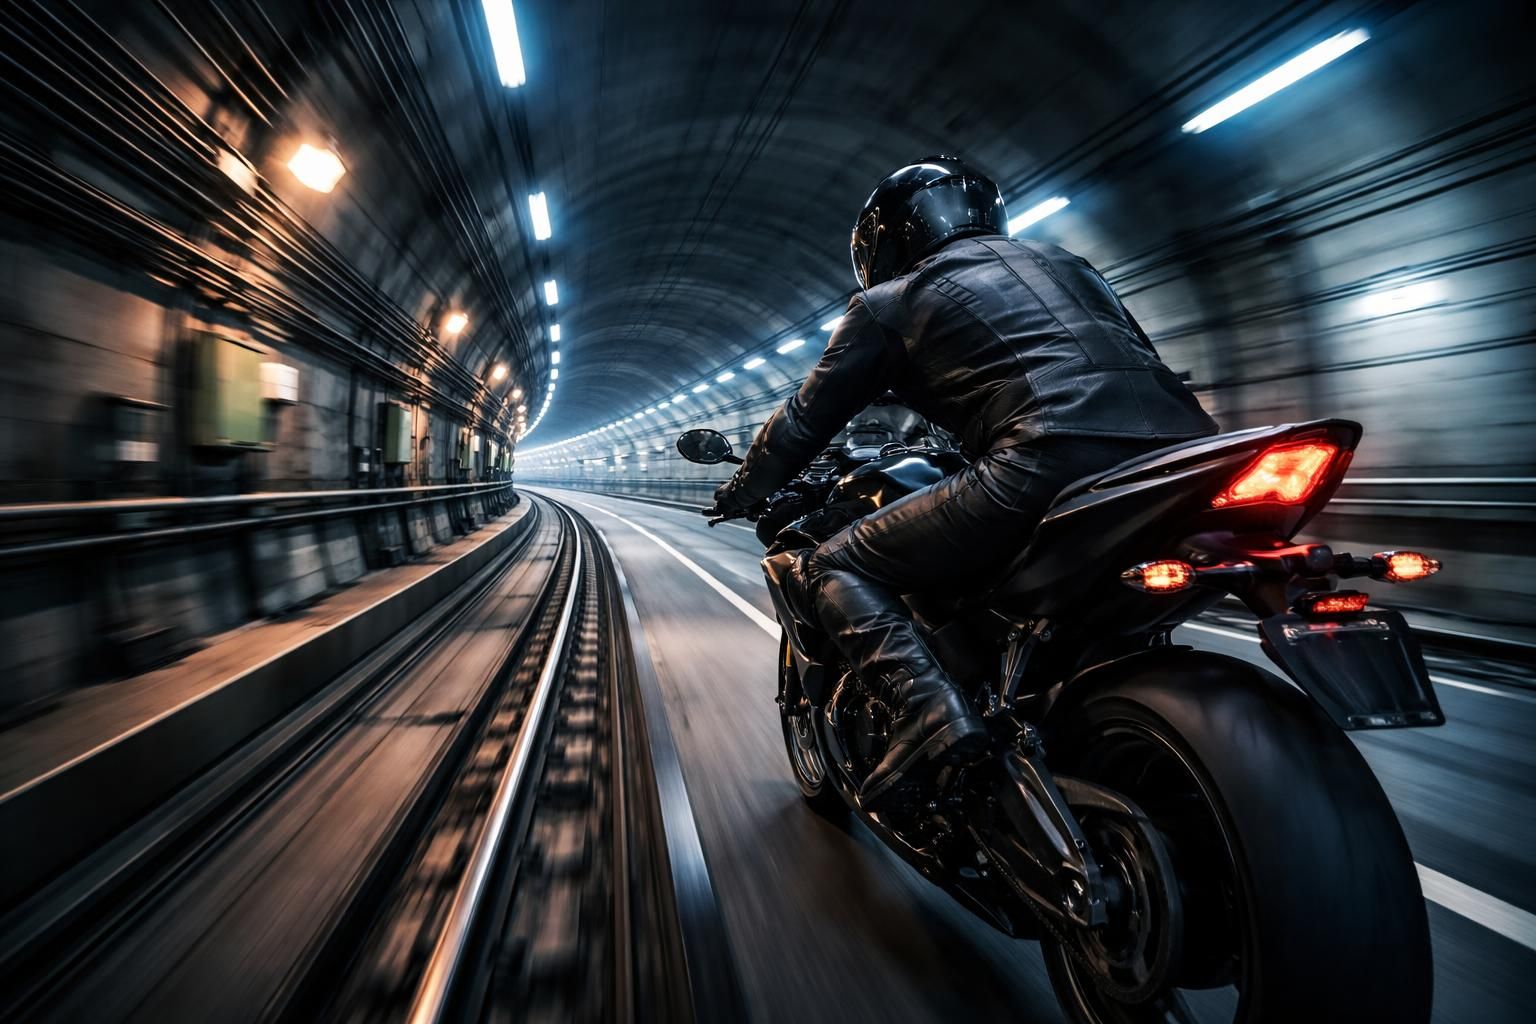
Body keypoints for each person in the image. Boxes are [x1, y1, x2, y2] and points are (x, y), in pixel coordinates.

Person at [710, 157, 1218, 805]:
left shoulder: (891, 302)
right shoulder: (1069, 266)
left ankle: (928, 715)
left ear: (885, 242)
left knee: (831, 566)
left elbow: (802, 422)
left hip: (1047, 462)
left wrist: (743, 490)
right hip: (1182, 453)